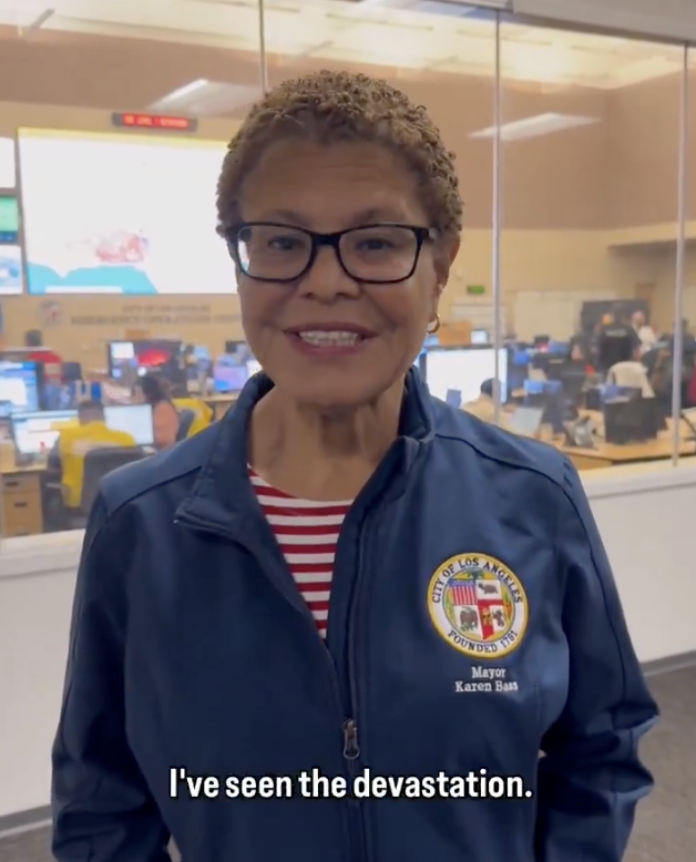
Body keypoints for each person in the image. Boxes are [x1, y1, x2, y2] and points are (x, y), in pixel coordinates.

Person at [52, 70, 657, 862]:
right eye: (281, 242)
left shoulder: (534, 498)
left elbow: (600, 752)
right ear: (241, 264)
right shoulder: (143, 525)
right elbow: (103, 806)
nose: (327, 281)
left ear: (439, 267)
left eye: (375, 242)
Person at [47, 399, 137, 510]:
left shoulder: (66, 437)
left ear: (80, 419)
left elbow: (51, 466)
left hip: (78, 504)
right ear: (104, 418)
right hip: (120, 502)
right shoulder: (127, 438)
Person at [132, 373, 180, 450]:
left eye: (139, 394)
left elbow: (166, 439)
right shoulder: (147, 410)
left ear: (150, 393)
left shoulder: (163, 408)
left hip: (161, 456)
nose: (136, 400)